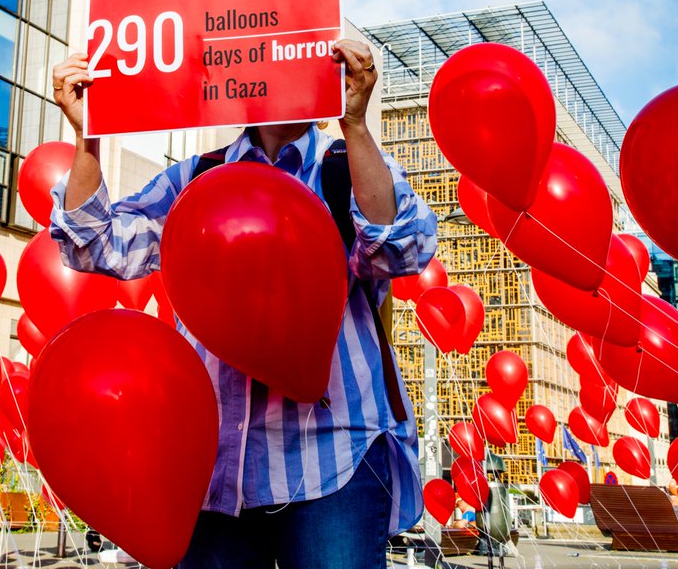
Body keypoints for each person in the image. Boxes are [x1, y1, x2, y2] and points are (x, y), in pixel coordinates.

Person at [49, 38, 437, 568]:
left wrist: (356, 125)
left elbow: (402, 248)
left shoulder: (346, 166)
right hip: (215, 473)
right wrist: (87, 137)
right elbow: (93, 243)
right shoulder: (195, 178)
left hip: (333, 462)